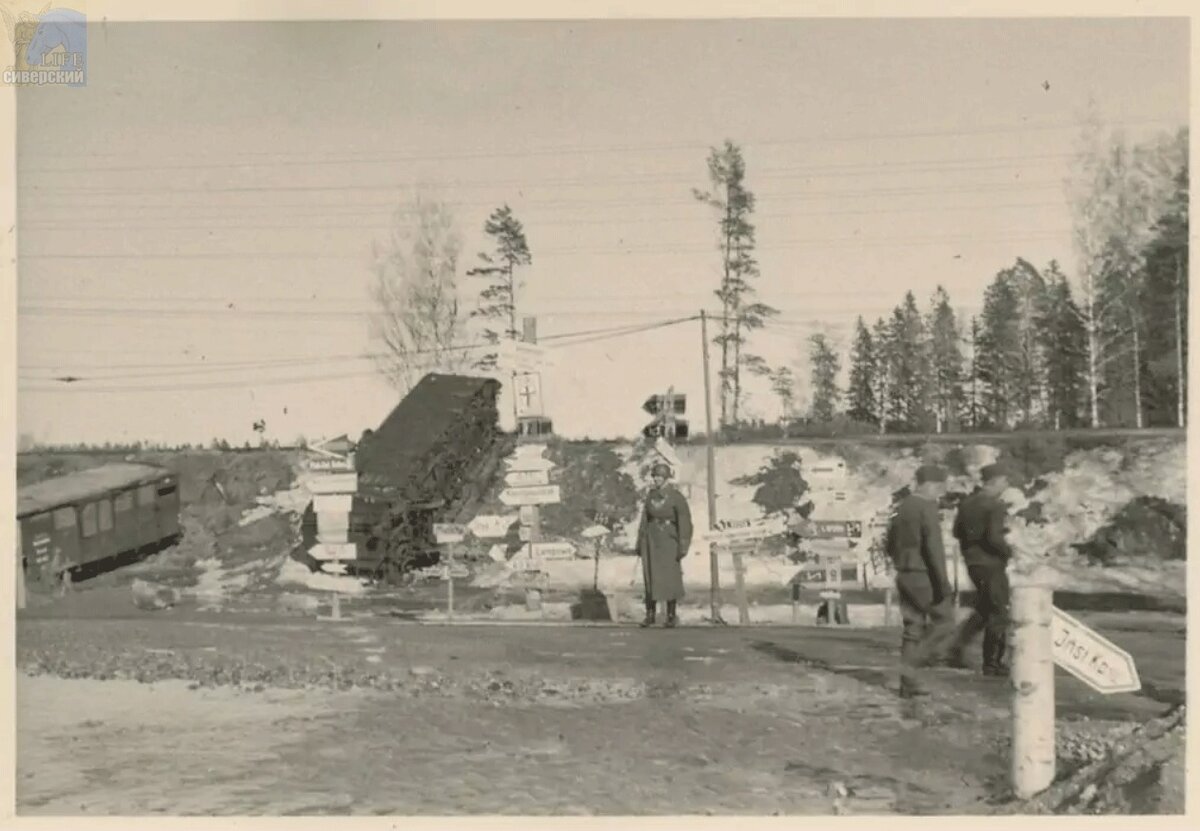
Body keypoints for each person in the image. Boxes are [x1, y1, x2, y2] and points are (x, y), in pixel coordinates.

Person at [884, 464, 956, 697]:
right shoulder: (926, 507)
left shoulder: (903, 506)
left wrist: (901, 561)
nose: (940, 492)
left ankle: (908, 684)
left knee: (913, 628)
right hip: (922, 574)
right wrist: (943, 583)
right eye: (939, 487)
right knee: (945, 622)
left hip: (903, 572)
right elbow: (933, 549)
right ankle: (911, 666)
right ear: (930, 484)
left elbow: (888, 543)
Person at [946, 463, 1013, 676]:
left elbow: (956, 532)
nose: (1006, 485)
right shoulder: (995, 505)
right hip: (991, 564)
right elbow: (993, 538)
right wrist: (1009, 550)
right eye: (1004, 480)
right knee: (999, 612)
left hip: (973, 563)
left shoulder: (967, 503)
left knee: (984, 609)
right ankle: (992, 663)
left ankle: (956, 649)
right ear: (995, 481)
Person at [635, 462, 693, 628]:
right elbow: (644, 520)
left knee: (670, 577)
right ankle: (650, 614)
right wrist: (640, 541)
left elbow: (685, 522)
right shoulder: (650, 496)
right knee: (650, 577)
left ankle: (671, 615)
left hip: (669, 540)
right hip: (651, 540)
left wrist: (683, 544)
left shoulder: (676, 497)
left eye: (660, 476)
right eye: (654, 476)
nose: (656, 479)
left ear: (667, 478)